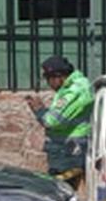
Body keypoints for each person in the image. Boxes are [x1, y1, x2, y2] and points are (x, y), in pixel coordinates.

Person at [26, 55, 93, 188]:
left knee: (59, 192)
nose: (49, 84)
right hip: (67, 149)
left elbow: (52, 121)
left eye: (48, 79)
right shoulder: (73, 87)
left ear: (58, 76)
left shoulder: (74, 91)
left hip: (69, 151)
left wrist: (39, 110)